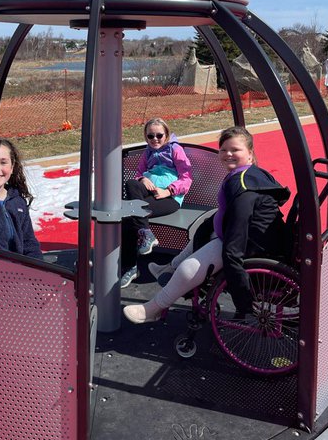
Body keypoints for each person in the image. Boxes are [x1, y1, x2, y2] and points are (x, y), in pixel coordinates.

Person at [123, 126, 288, 325]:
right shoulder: (247, 173)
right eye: (223, 149)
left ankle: (154, 308)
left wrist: (244, 306)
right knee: (200, 233)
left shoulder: (244, 189)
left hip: (252, 244)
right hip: (244, 232)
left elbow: (235, 246)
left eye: (235, 150)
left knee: (188, 268)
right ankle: (169, 268)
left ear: (250, 153)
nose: (228, 154)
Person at [120, 118, 193, 284]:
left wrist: (169, 191)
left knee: (129, 217)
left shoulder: (175, 149)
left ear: (166, 135)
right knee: (131, 183)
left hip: (169, 198)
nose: (155, 139)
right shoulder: (148, 152)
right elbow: (139, 172)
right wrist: (141, 179)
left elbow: (187, 177)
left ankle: (130, 266)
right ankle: (145, 233)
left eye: (159, 135)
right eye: (150, 136)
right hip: (148, 191)